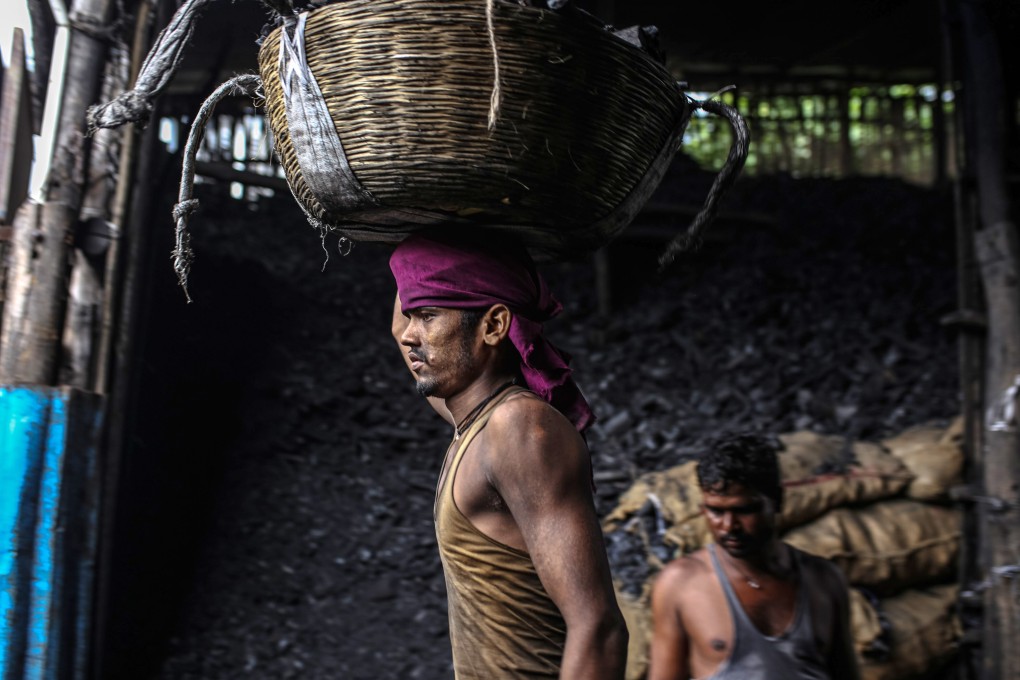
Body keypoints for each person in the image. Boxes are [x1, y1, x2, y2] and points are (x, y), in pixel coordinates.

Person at [388, 229, 628, 679]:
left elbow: (599, 627)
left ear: (494, 326)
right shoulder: (470, 420)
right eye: (412, 314)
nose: (409, 336)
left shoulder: (519, 429)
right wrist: (429, 222)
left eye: (430, 316)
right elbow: (399, 328)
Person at [648, 433, 859, 680]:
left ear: (777, 501)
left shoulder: (823, 581)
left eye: (744, 510)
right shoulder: (680, 583)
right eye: (716, 511)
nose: (729, 526)